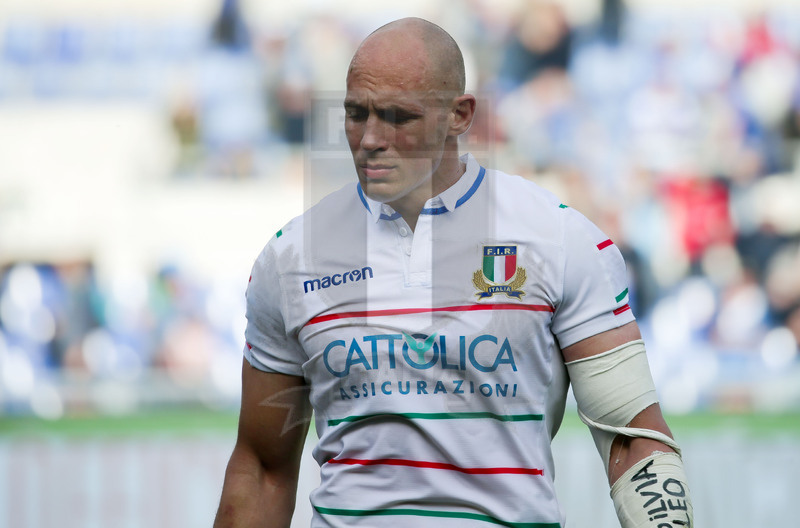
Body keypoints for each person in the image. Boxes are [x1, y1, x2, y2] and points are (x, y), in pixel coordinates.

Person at [214, 17, 693, 528]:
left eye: (397, 116)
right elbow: (263, 467)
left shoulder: (561, 240)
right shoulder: (289, 259)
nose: (370, 138)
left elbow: (633, 438)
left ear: (459, 115)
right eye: (356, 114)